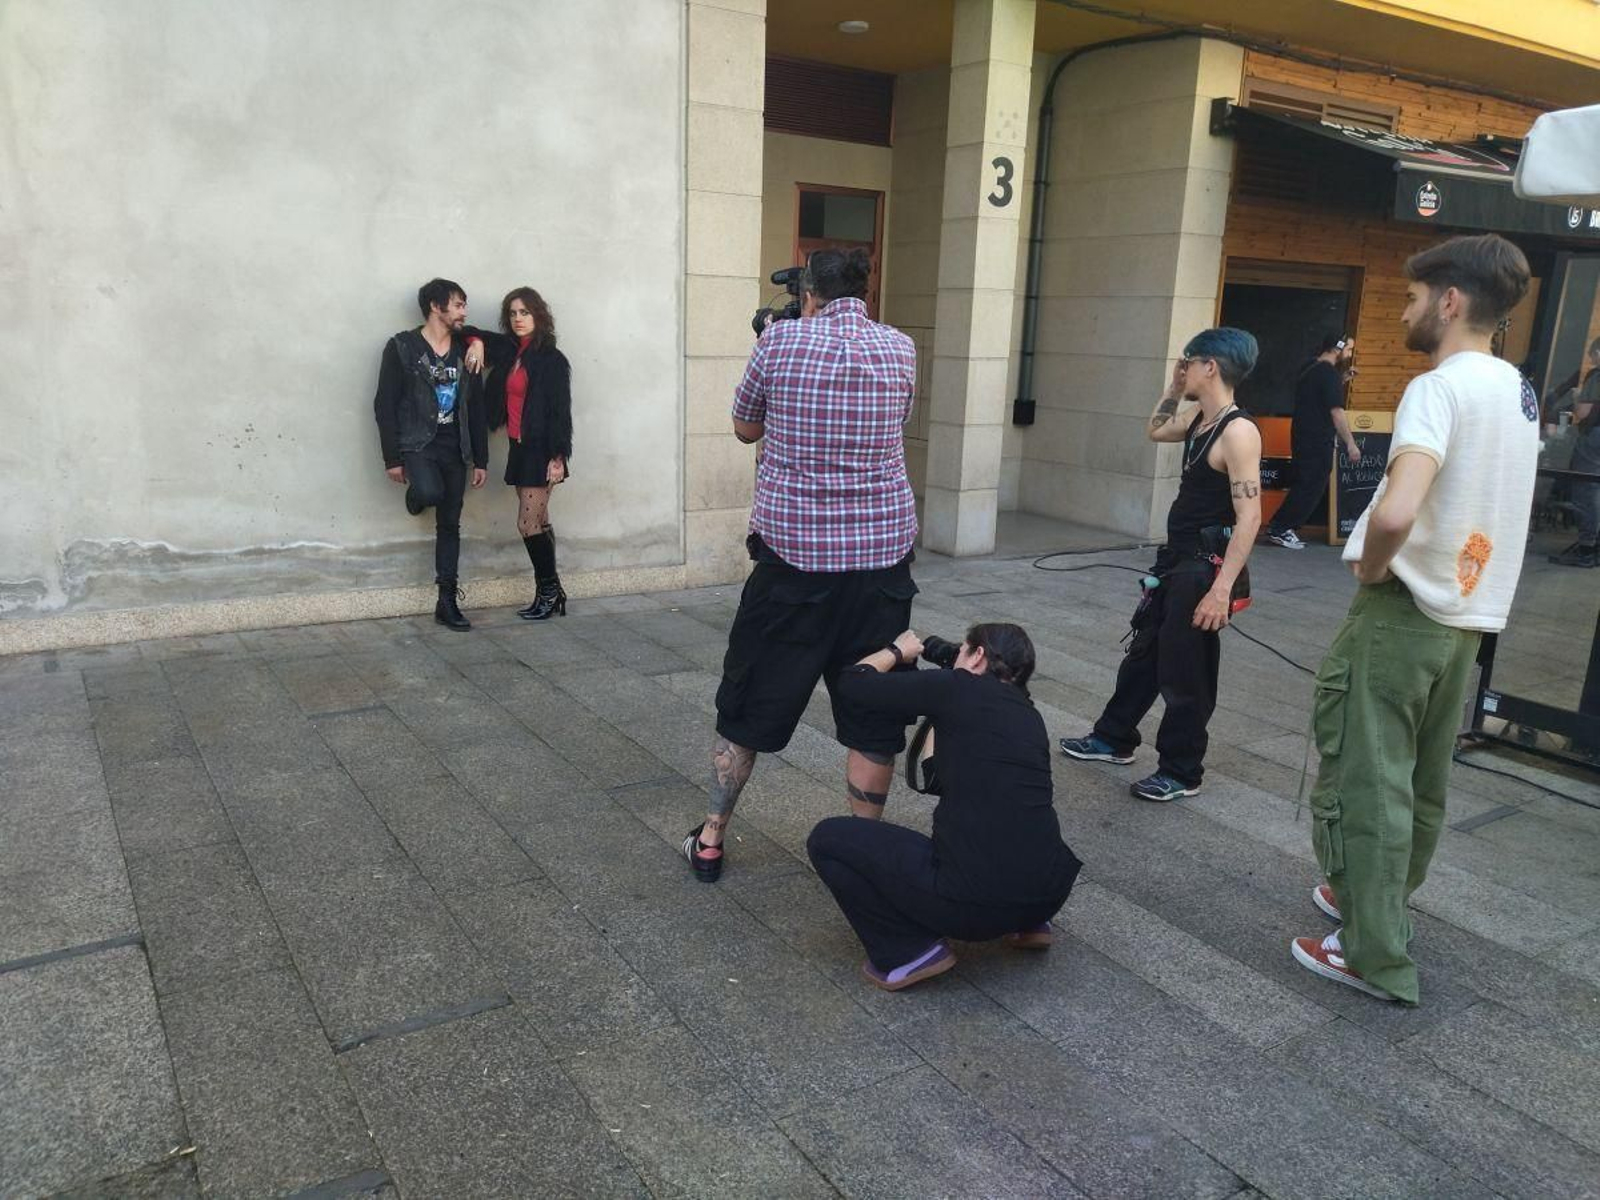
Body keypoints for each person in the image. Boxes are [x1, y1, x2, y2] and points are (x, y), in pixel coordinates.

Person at [1292, 234, 1537, 1006]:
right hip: (1467, 616)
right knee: (1423, 780)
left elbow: (1397, 510)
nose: (1404, 311)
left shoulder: (1439, 387)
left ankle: (1373, 953)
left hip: (1403, 609)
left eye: (1412, 297)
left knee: (1367, 779)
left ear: (1450, 301)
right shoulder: (1517, 389)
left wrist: (1370, 565)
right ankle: (1378, 903)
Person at [684, 247, 918, 882]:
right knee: (873, 714)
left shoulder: (780, 341)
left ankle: (712, 838)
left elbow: (745, 427)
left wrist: (772, 342)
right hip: (881, 566)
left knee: (750, 702)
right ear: (865, 291)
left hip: (793, 565)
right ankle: (866, 854)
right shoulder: (901, 348)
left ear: (808, 293)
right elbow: (896, 422)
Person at [806, 624, 1082, 991]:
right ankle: (1028, 923)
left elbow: (854, 683)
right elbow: (937, 779)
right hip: (1050, 894)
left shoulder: (956, 687)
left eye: (963, 650)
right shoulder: (1028, 713)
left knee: (828, 839)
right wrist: (938, 708)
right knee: (1016, 822)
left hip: (975, 906)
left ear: (978, 655)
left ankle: (906, 951)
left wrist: (896, 651)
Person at [1059, 328, 1264, 802]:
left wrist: (1220, 590)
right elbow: (1155, 429)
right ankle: (1113, 738)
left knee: (1186, 672)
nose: (1182, 368)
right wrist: (1173, 389)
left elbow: (1250, 517)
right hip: (1175, 561)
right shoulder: (1199, 420)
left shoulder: (1238, 432)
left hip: (1202, 569)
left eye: (1187, 362)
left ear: (1210, 366)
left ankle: (1182, 770)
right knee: (1144, 655)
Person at [373, 278, 488, 631]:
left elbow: (477, 407)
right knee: (430, 492)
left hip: (456, 447)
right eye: (458, 305)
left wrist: (481, 459)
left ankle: (447, 601)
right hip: (418, 444)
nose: (464, 312)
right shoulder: (402, 347)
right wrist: (392, 459)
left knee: (449, 525)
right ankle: (417, 495)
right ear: (436, 307)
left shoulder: (466, 350)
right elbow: (384, 404)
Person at [462, 288, 574, 616]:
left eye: (524, 312)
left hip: (542, 450)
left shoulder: (552, 360)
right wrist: (477, 343)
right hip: (519, 447)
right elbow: (465, 332)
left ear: (539, 315)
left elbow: (560, 412)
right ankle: (553, 593)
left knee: (527, 523)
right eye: (512, 313)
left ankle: (548, 593)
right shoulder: (510, 351)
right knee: (540, 519)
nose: (518, 319)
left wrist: (558, 457)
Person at [1264, 333, 1362, 550]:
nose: (1350, 354)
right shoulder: (1328, 374)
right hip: (1317, 438)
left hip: (1302, 435)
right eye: (1348, 349)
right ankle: (1280, 528)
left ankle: (1281, 527)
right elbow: (1336, 411)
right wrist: (1350, 443)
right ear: (1337, 348)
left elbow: (1318, 393)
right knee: (1311, 486)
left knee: (1304, 483)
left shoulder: (1310, 368)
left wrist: (1341, 380)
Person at [1549, 336, 1600, 568]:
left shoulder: (1596, 376)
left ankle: (1586, 549)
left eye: (1592, 356)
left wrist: (1579, 397)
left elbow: (1582, 412)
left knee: (1586, 490)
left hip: (1594, 438)